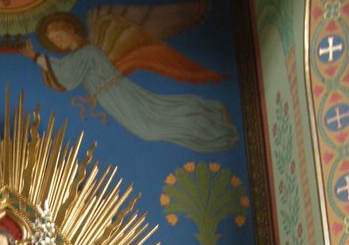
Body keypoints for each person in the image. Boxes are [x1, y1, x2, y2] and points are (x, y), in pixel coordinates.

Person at [24, 12, 239, 152]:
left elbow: (66, 75)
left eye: (59, 36)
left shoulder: (86, 52)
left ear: (70, 31)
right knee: (157, 116)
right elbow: (64, 71)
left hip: (118, 93)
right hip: (110, 98)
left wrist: (33, 56)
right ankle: (211, 120)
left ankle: (212, 114)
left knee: (153, 122)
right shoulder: (76, 56)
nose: (59, 43)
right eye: (54, 42)